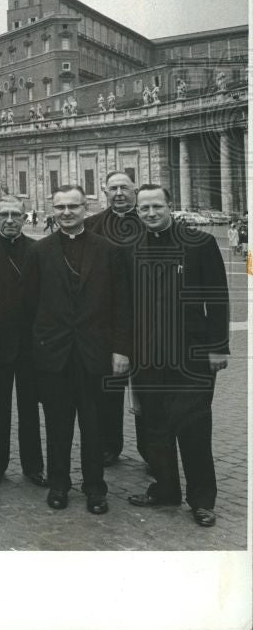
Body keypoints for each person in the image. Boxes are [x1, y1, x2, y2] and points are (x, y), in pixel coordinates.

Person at [23, 185, 131, 515]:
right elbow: (29, 308)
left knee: (94, 425)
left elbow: (122, 306)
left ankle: (95, 487)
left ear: (86, 207)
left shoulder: (109, 250)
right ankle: (59, 484)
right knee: (57, 425)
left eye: (73, 206)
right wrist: (36, 351)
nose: (66, 212)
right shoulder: (39, 252)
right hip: (54, 355)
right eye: (60, 207)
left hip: (95, 353)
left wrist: (121, 350)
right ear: (52, 209)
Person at [126, 185, 229, 528]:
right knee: (154, 427)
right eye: (144, 208)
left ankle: (201, 500)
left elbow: (217, 299)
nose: (151, 213)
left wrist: (217, 346)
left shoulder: (199, 243)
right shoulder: (129, 247)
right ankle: (166, 489)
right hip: (147, 355)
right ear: (137, 211)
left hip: (192, 354)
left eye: (157, 206)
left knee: (194, 426)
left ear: (171, 206)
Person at [0, 196, 45, 489]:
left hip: (31, 344)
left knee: (30, 408)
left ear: (24, 218)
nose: (9, 220)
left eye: (15, 215)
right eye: (4, 214)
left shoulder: (38, 249)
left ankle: (34, 466)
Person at [84, 171, 146, 466]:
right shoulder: (90, 226)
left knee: (149, 392)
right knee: (108, 389)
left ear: (135, 190)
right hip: (107, 323)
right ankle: (109, 445)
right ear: (103, 192)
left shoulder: (151, 220)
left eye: (125, 187)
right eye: (113, 188)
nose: (119, 193)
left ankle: (153, 451)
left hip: (149, 320)